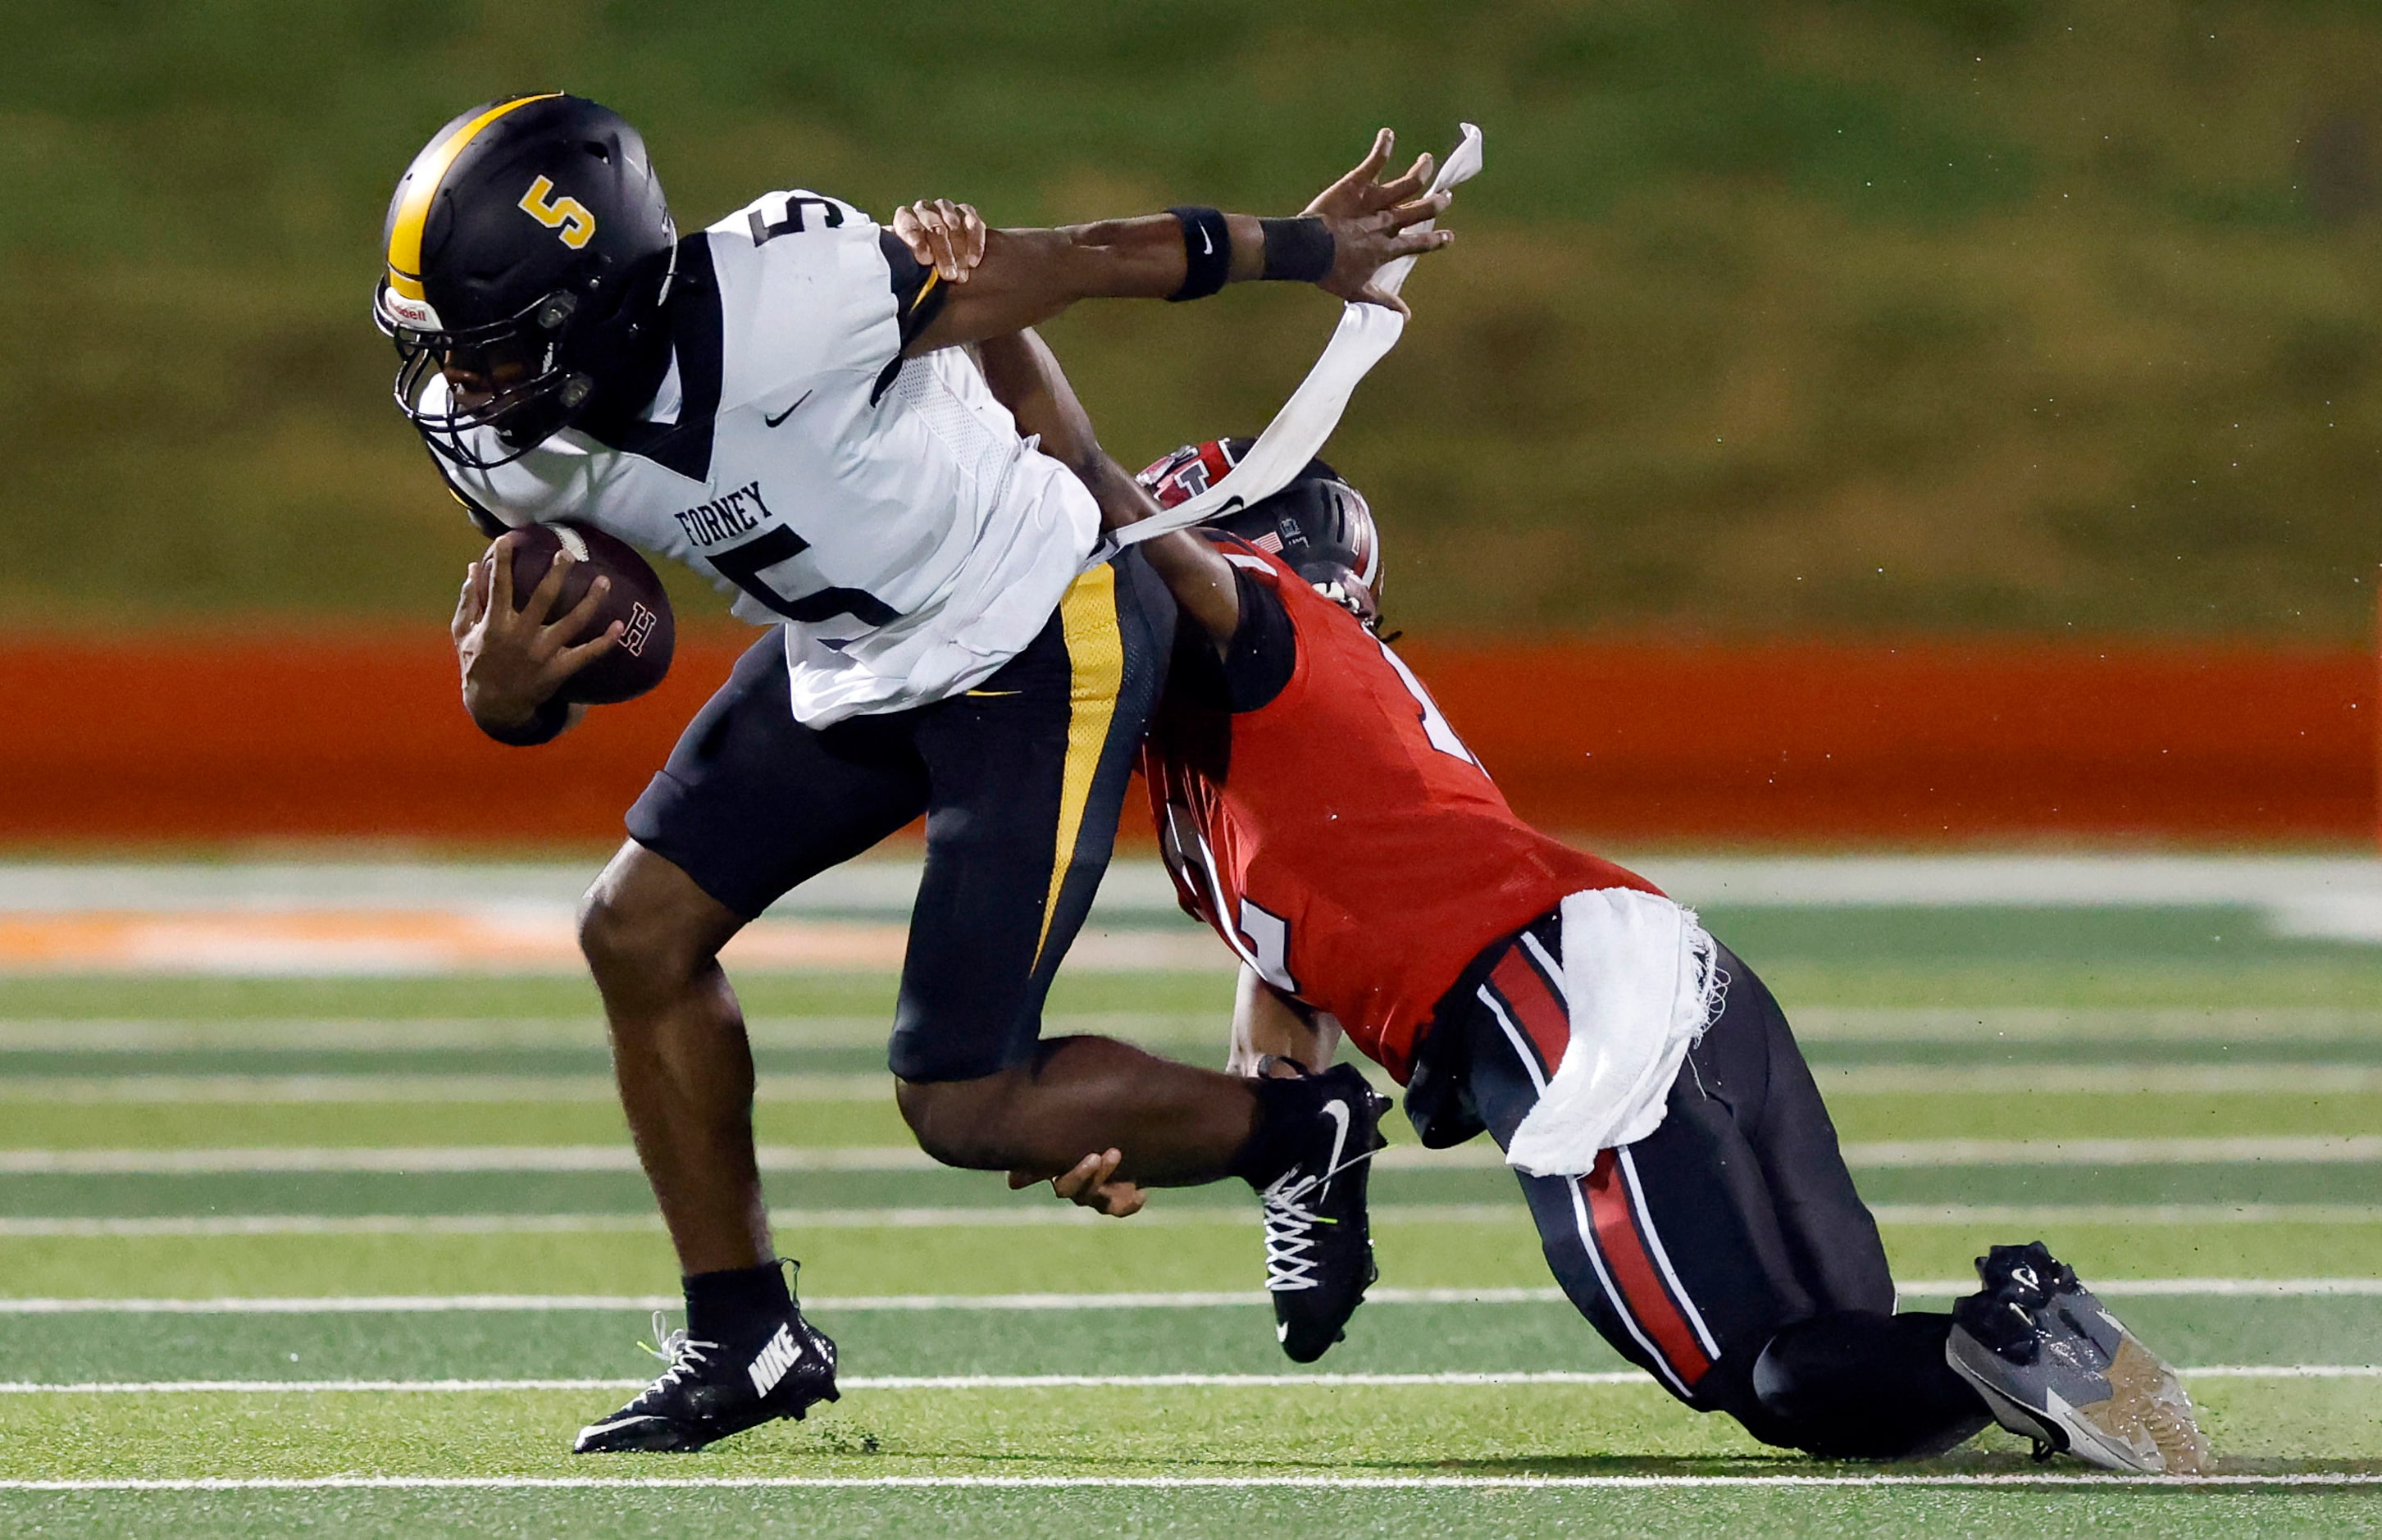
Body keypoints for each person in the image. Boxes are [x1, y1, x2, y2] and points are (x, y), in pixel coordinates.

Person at [376, 93, 1448, 1451]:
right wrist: (506, 701)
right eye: (443, 350)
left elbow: (1080, 258)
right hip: (849, 650)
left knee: (963, 1100)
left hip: (1032, 617)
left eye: (485, 349)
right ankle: (744, 1333)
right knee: (633, 931)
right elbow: (549, 651)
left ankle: (1300, 1129)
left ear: (594, 309)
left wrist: (1308, 247)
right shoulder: (513, 440)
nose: (461, 386)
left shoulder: (792, 289)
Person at [961, 326, 2211, 1475]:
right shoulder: (1238, 769)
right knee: (1837, 1355)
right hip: (1642, 964)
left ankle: (2026, 1328)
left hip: (1558, 1005)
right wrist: (1230, 1166)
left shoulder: (1264, 631)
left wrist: (990, 315)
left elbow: (1097, 491)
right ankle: (2038, 1350)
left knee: (1755, 1374)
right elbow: (1287, 1027)